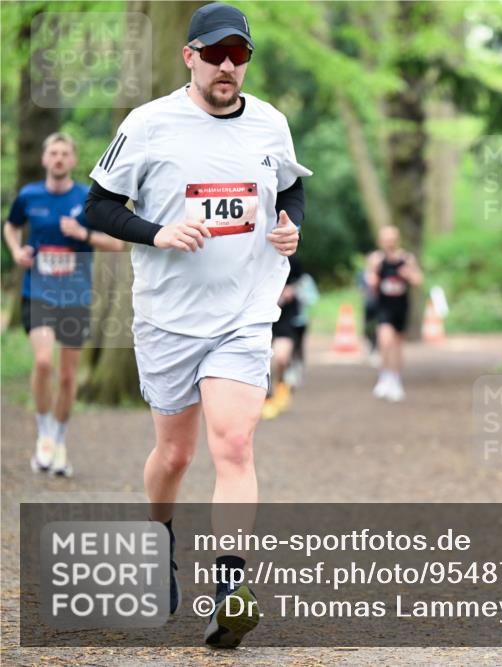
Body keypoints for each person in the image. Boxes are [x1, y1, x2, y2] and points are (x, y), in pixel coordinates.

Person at [84, 2, 308, 648]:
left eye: (239, 56)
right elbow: (99, 206)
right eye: (215, 54)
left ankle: (230, 591)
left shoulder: (270, 124)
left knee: (234, 444)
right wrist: (157, 231)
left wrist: (291, 224)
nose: (228, 67)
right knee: (175, 454)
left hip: (243, 314)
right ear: (190, 57)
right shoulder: (149, 125)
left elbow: (290, 186)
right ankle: (158, 537)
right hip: (169, 319)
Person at [3, 133, 124, 477]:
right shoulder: (29, 196)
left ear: (72, 161)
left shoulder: (86, 200)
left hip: (75, 296)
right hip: (37, 291)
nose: (58, 158)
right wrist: (16, 252)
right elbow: (11, 228)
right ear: (44, 160)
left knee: (68, 376)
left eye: (64, 154)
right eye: (52, 153)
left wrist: (83, 234)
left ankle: (58, 439)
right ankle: (43, 433)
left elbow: (117, 243)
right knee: (43, 362)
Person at [366, 225, 422, 402]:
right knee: (384, 341)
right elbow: (369, 281)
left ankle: (396, 380)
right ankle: (384, 377)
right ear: (380, 240)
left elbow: (418, 280)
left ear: (397, 239)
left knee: (397, 345)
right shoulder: (376, 259)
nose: (389, 241)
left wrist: (408, 274)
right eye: (385, 238)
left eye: (392, 238)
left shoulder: (407, 258)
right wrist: (373, 277)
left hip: (401, 307)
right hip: (384, 307)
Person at [262, 254, 303, 419]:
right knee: (260, 360)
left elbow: (301, 281)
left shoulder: (291, 258)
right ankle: (266, 397)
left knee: (280, 357)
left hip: (285, 317)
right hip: (259, 317)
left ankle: (281, 385)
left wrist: (290, 290)